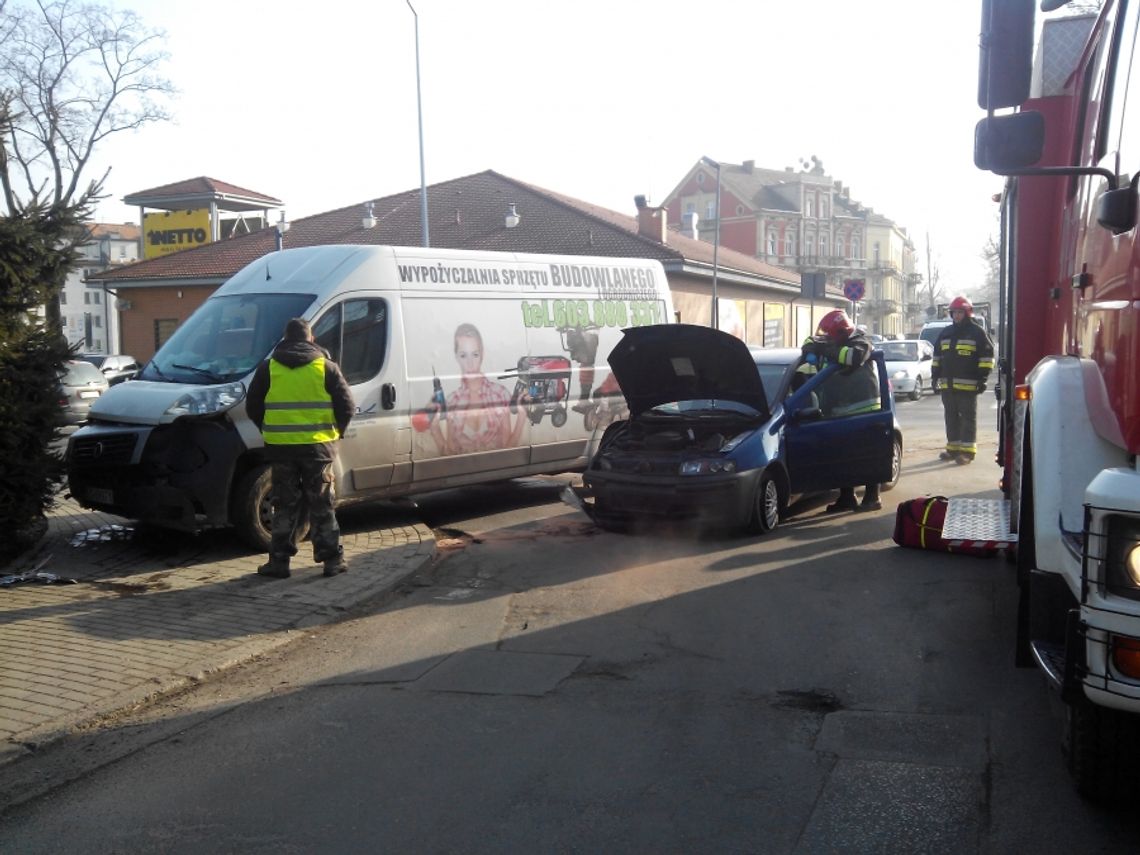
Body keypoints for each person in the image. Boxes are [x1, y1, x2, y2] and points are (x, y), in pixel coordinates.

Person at [245, 318, 355, 579]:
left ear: (285, 338)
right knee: (322, 504)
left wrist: (270, 429)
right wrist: (335, 433)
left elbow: (253, 407)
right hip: (318, 449)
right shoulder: (326, 367)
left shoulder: (268, 368)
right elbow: (347, 406)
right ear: (311, 339)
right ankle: (331, 561)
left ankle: (279, 563)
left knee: (284, 505)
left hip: (282, 450)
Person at [798, 309, 883, 513]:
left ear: (841, 332)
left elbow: (852, 357)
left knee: (867, 456)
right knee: (844, 456)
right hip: (840, 411)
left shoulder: (861, 342)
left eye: (830, 334)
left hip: (865, 410)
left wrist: (824, 348)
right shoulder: (833, 341)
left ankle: (872, 497)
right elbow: (813, 340)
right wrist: (814, 344)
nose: (827, 338)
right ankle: (847, 498)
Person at [428, 323, 528, 454]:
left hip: (496, 471)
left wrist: (521, 418)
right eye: (463, 355)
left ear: (482, 354)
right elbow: (450, 454)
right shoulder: (452, 401)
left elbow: (506, 449)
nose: (470, 364)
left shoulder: (500, 394)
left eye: (475, 354)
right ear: (456, 357)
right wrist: (434, 428)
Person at [930, 296, 994, 465]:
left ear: (967, 313)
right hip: (948, 385)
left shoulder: (977, 332)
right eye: (954, 313)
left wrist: (983, 378)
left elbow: (987, 356)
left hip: (969, 386)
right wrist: (935, 376)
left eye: (960, 312)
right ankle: (953, 449)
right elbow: (937, 357)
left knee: (967, 419)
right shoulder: (946, 333)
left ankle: (967, 452)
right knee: (950, 417)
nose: (957, 316)